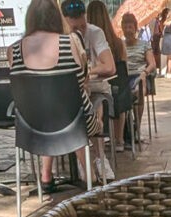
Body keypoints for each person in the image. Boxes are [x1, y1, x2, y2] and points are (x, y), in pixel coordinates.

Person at [8, 0, 100, 193]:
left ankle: (46, 176)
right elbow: (83, 80)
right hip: (75, 122)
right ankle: (91, 177)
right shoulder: (72, 42)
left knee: (48, 108)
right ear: (57, 18)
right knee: (72, 110)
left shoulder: (13, 50)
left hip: (32, 128)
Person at [61, 0, 115, 182]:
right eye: (75, 27)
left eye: (82, 26)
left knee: (93, 102)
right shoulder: (61, 38)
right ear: (65, 21)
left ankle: (99, 157)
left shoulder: (95, 32)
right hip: (71, 93)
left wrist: (87, 71)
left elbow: (110, 66)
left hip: (96, 88)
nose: (80, 31)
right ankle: (85, 159)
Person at [86, 0, 126, 156]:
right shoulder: (118, 43)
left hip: (97, 89)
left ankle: (94, 147)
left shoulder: (88, 36)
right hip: (118, 94)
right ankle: (119, 139)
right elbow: (123, 70)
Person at [120, 12, 155, 141]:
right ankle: (122, 130)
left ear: (135, 28)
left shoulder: (144, 44)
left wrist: (144, 73)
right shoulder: (120, 45)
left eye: (130, 27)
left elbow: (152, 64)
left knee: (140, 86)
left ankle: (137, 127)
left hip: (140, 76)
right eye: (125, 27)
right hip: (124, 77)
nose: (128, 30)